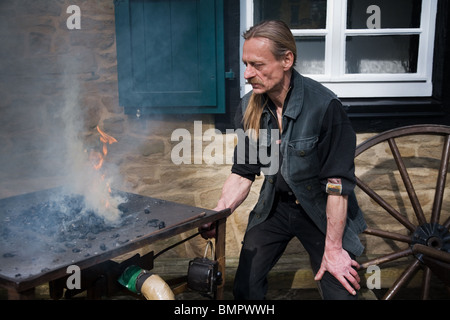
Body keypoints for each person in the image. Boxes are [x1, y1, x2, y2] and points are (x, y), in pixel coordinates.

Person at [200, 20, 367, 300]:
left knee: (341, 292)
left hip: (320, 207)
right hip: (275, 207)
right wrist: (219, 212)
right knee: (245, 287)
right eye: (245, 64)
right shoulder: (248, 106)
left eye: (257, 65)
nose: (247, 74)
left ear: (286, 59)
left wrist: (334, 249)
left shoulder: (325, 107)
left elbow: (337, 186)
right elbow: (243, 172)